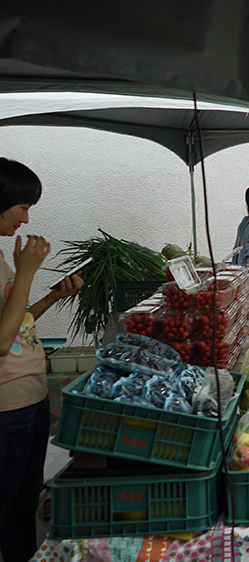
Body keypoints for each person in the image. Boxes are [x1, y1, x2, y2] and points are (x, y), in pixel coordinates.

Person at [0, 158, 83, 562]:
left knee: (22, 509)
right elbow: (1, 341)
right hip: (6, 409)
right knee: (7, 509)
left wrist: (52, 295)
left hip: (29, 399)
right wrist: (27, 271)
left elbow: (16, 322)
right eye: (22, 206)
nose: (26, 217)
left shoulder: (1, 258)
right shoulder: (12, 261)